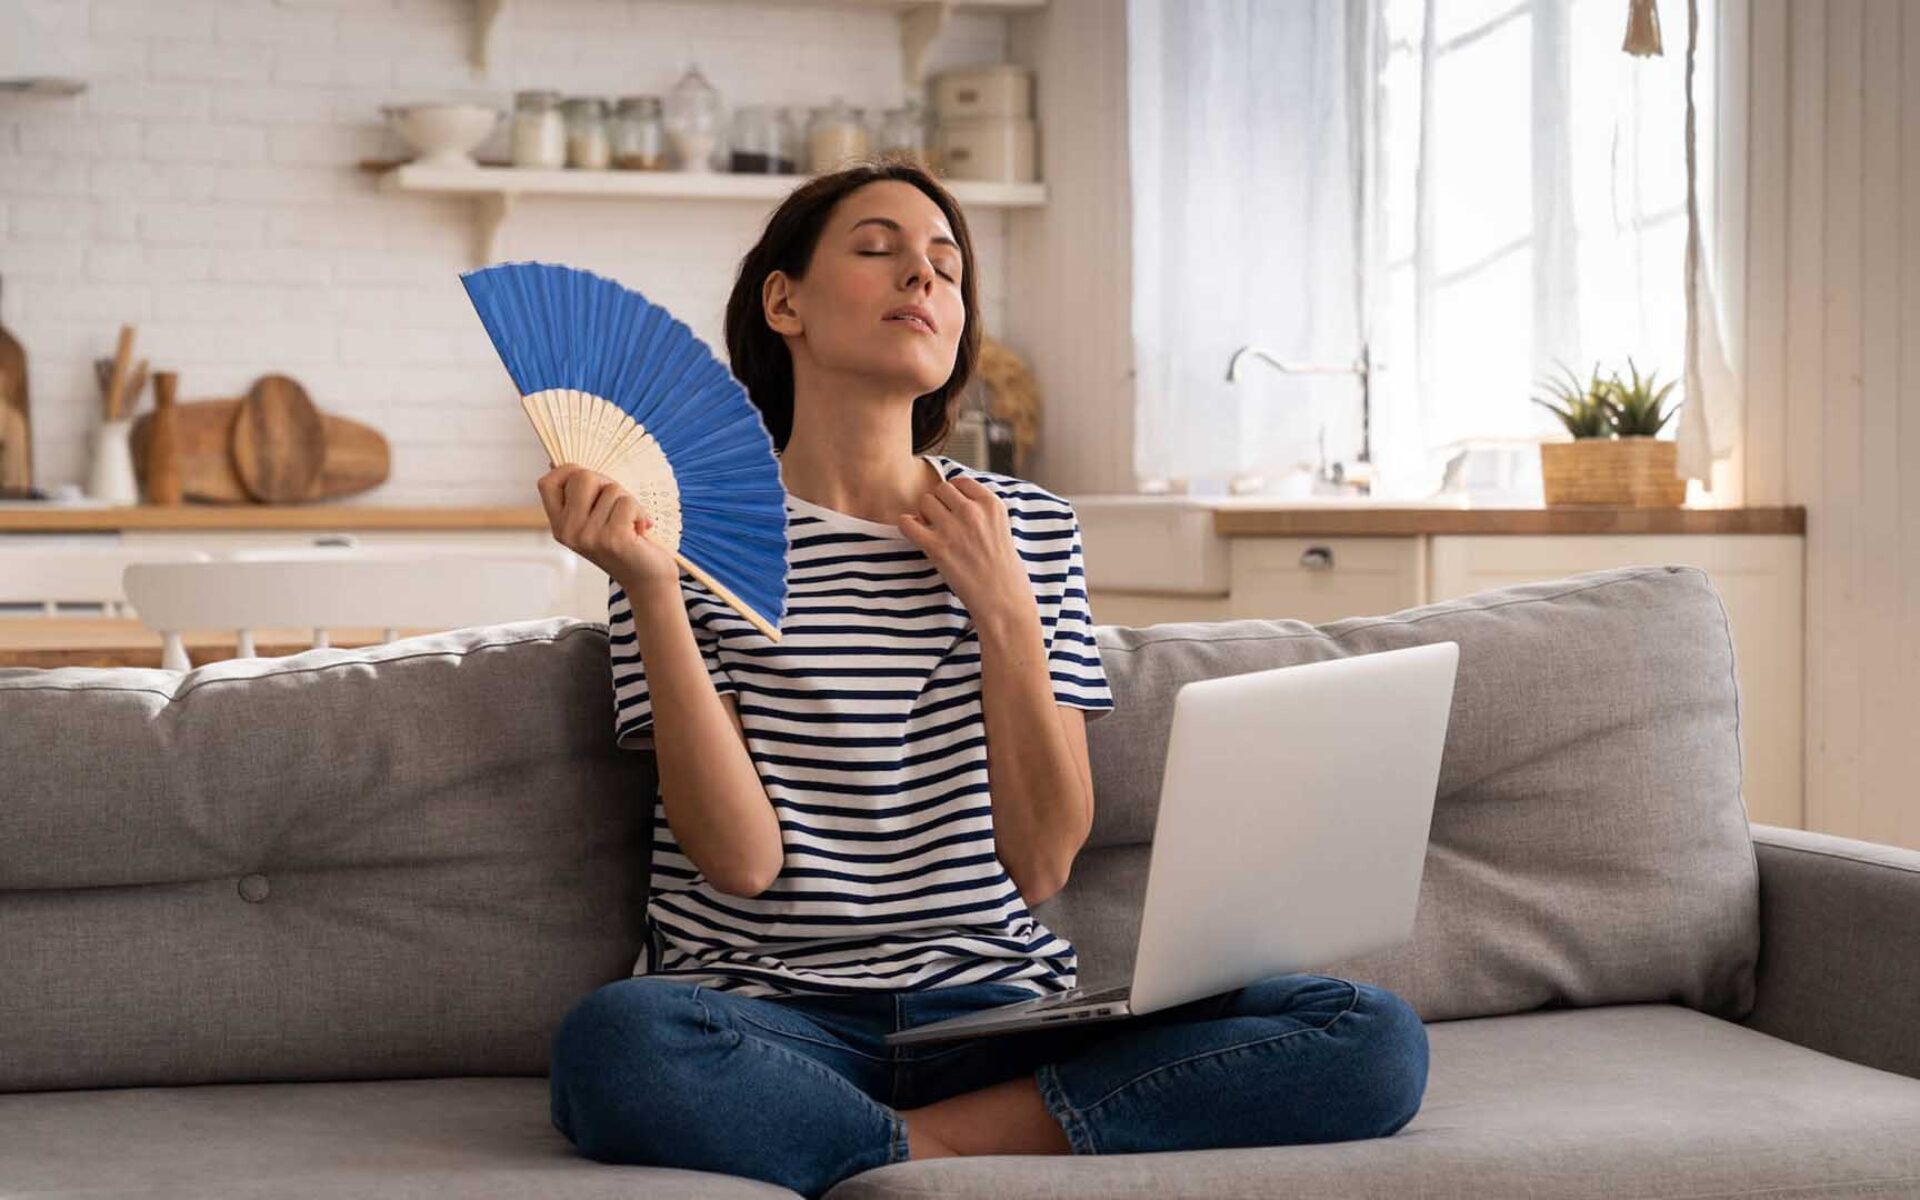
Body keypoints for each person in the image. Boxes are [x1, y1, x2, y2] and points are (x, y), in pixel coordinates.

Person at [534, 158, 1429, 1199]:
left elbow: (1043, 859)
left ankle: (900, 1152)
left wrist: (1005, 608)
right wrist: (648, 588)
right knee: (616, 1044)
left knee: (1370, 1038)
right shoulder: (677, 540)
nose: (922, 277)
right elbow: (739, 861)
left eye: (947, 267)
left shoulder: (1031, 529)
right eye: (879, 251)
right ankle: (967, 1151)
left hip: (997, 1017)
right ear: (786, 302)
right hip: (770, 1016)